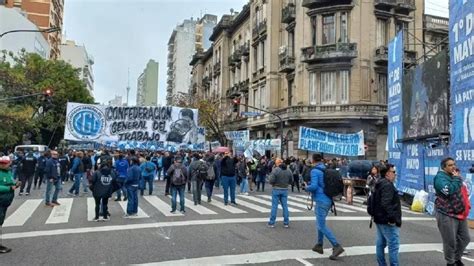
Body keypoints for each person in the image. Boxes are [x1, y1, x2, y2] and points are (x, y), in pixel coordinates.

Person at [306, 153, 344, 260]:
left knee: (321, 225)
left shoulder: (314, 171)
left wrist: (306, 187)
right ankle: (319, 244)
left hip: (321, 200)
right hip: (328, 199)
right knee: (320, 223)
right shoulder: (325, 169)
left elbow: (313, 186)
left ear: (313, 160)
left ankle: (336, 245)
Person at [434, 157, 471, 266]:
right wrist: (457, 179)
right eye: (450, 165)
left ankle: (456, 258)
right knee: (450, 241)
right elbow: (448, 191)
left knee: (465, 238)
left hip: (459, 213)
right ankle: (450, 262)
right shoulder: (440, 178)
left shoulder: (455, 176)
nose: (453, 167)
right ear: (444, 167)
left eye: (454, 164)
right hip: (446, 213)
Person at [372, 164, 402, 266]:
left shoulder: (379, 183)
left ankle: (381, 264)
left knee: (380, 243)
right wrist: (392, 218)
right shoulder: (387, 185)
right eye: (393, 172)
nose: (395, 174)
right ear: (387, 173)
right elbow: (386, 203)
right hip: (387, 220)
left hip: (379, 218)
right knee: (393, 245)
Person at [0, 156, 19, 254]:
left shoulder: (8, 172)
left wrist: (15, 185)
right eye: (6, 163)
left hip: (5, 202)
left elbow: (9, 182)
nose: (8, 165)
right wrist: (9, 188)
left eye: (8, 163)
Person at [267, 158, 292, 228]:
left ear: (277, 163)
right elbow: (291, 180)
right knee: (285, 206)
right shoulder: (288, 170)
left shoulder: (276, 170)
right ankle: (286, 222)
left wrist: (273, 184)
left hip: (276, 189)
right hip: (285, 189)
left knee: (274, 206)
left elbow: (271, 180)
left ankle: (272, 222)